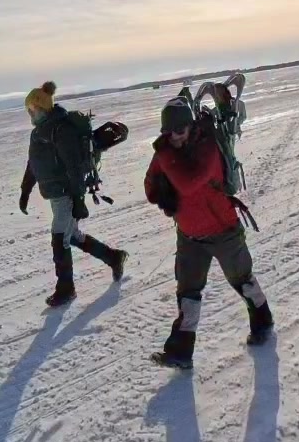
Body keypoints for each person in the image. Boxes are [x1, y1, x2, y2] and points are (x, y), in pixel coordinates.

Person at [144, 93, 273, 369]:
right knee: (187, 292)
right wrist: (160, 191)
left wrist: (163, 155)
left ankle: (263, 321)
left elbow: (189, 182)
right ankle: (181, 352)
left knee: (242, 281)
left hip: (222, 229)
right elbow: (150, 186)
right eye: (168, 132)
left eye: (179, 129)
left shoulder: (207, 146)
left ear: (191, 126)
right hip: (189, 235)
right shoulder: (167, 151)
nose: (174, 136)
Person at [19, 82, 126, 307]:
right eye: (28, 110)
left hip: (66, 193)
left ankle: (66, 289)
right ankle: (114, 257)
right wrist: (25, 189)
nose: (30, 114)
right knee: (73, 236)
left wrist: (78, 199)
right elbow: (33, 163)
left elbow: (74, 167)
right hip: (55, 194)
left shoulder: (61, 129)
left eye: (32, 109)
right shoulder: (39, 132)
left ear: (43, 108)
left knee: (60, 239)